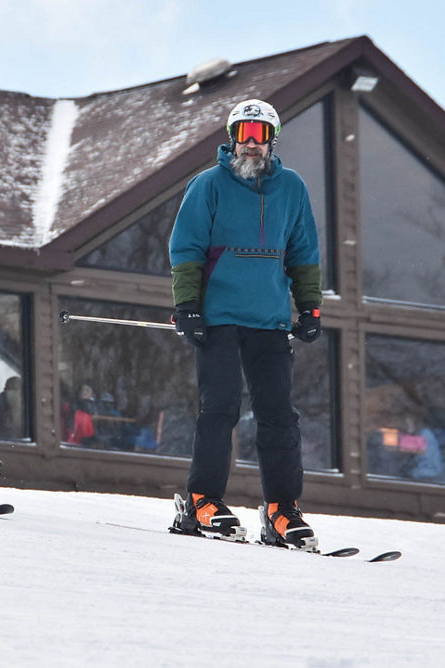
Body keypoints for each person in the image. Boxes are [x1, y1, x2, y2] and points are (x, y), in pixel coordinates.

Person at [168, 99, 323, 549]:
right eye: (244, 134)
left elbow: (304, 252)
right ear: (232, 138)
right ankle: (202, 501)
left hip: (269, 319)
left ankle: (281, 509)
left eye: (260, 135)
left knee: (279, 414)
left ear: (272, 139)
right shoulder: (208, 185)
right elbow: (186, 248)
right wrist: (187, 306)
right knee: (220, 407)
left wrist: (309, 307)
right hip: (217, 317)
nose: (251, 143)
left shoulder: (291, 188)